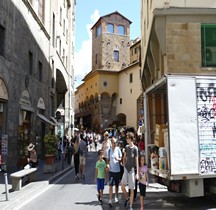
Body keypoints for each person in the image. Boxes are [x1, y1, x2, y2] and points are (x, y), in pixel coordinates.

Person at [121, 132, 139, 210]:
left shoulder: (135, 149)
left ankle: (130, 206)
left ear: (131, 139)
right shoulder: (126, 147)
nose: (126, 139)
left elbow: (137, 161)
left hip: (132, 170)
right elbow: (124, 157)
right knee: (122, 186)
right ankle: (127, 198)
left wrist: (137, 173)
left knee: (132, 189)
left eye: (127, 138)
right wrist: (124, 163)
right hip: (126, 169)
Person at [107, 137, 122, 207]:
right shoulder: (109, 150)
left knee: (116, 186)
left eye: (116, 142)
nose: (115, 144)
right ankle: (110, 200)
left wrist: (118, 159)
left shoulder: (118, 149)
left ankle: (116, 196)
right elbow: (108, 160)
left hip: (117, 170)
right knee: (110, 185)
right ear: (111, 143)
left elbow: (121, 158)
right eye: (114, 142)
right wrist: (107, 165)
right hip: (111, 171)